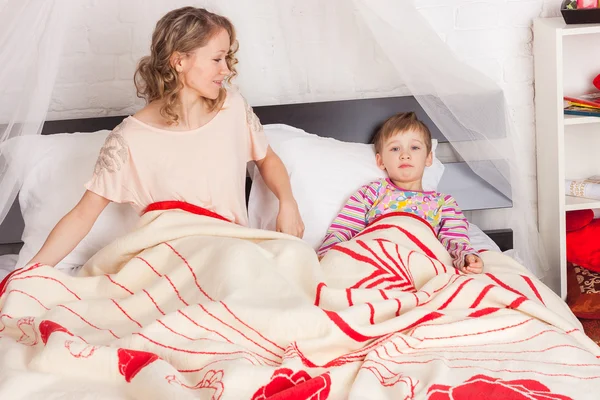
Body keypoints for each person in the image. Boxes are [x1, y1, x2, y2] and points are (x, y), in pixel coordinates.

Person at [27, 6, 304, 268]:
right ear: (180, 60)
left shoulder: (233, 109)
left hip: (230, 253)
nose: (227, 70)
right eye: (217, 59)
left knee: (292, 257)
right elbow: (82, 215)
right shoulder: (130, 138)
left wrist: (287, 202)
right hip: (168, 261)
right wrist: (29, 272)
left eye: (227, 59)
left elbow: (267, 159)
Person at [317, 112, 483, 274]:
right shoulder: (372, 192)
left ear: (428, 158)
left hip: (422, 263)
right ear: (381, 161)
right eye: (395, 148)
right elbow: (344, 229)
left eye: (415, 147)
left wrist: (466, 257)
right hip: (377, 258)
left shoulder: (443, 203)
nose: (405, 155)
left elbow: (455, 240)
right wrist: (327, 257)